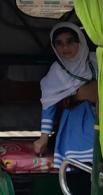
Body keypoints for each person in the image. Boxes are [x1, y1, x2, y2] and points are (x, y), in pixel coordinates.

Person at [33, 22, 98, 168]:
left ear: (80, 42)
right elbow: (48, 104)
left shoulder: (96, 60)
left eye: (70, 42)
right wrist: (44, 137)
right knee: (78, 164)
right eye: (59, 43)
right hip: (74, 123)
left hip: (102, 117)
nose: (65, 48)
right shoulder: (57, 70)